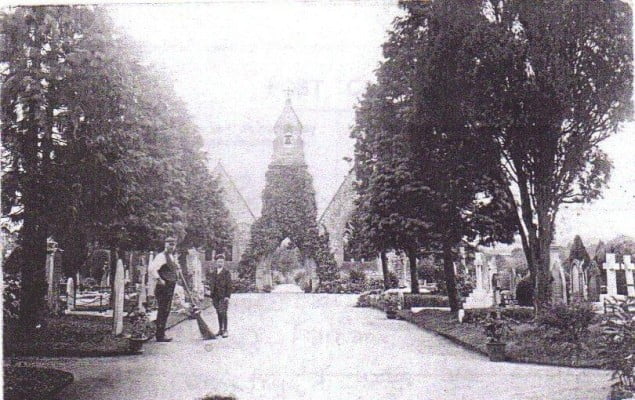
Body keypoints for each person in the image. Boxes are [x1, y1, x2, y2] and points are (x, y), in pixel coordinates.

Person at [148, 237, 179, 342]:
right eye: (170, 244)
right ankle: (160, 335)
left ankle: (161, 332)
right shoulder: (161, 256)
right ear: (165, 245)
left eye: (173, 244)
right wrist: (159, 279)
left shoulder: (172, 257)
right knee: (163, 310)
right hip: (163, 287)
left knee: (166, 310)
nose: (172, 246)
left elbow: (171, 269)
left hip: (170, 287)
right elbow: (152, 269)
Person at [208, 253, 232, 337]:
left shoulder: (226, 272)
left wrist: (227, 296)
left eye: (221, 262)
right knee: (218, 312)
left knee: (223, 312)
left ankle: (225, 330)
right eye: (218, 262)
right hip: (215, 296)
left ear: (224, 263)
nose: (220, 263)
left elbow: (229, 285)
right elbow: (211, 284)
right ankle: (220, 329)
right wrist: (211, 296)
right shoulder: (213, 272)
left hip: (223, 296)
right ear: (216, 262)